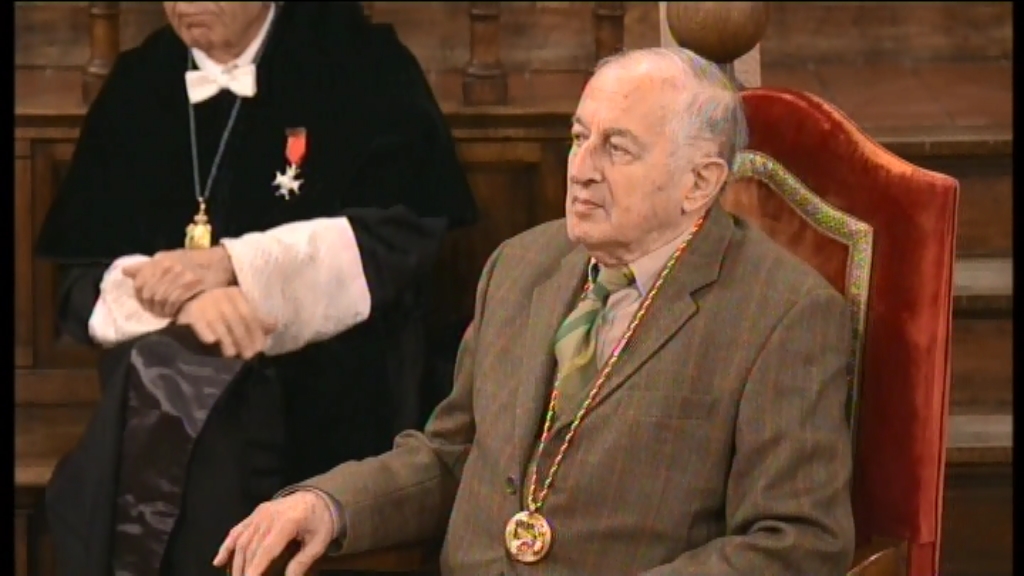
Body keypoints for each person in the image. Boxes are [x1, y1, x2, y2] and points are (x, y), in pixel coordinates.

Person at [215, 47, 857, 576]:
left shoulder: (783, 315)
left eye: (618, 148)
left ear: (700, 182)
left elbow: (797, 542)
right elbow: (452, 454)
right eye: (579, 137)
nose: (581, 169)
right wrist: (328, 504)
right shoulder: (521, 265)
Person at [34, 3, 477, 576]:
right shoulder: (138, 81)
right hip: (166, 403)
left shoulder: (361, 63)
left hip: (330, 397)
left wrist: (237, 269)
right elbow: (80, 278)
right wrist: (187, 300)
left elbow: (401, 238)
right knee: (185, 396)